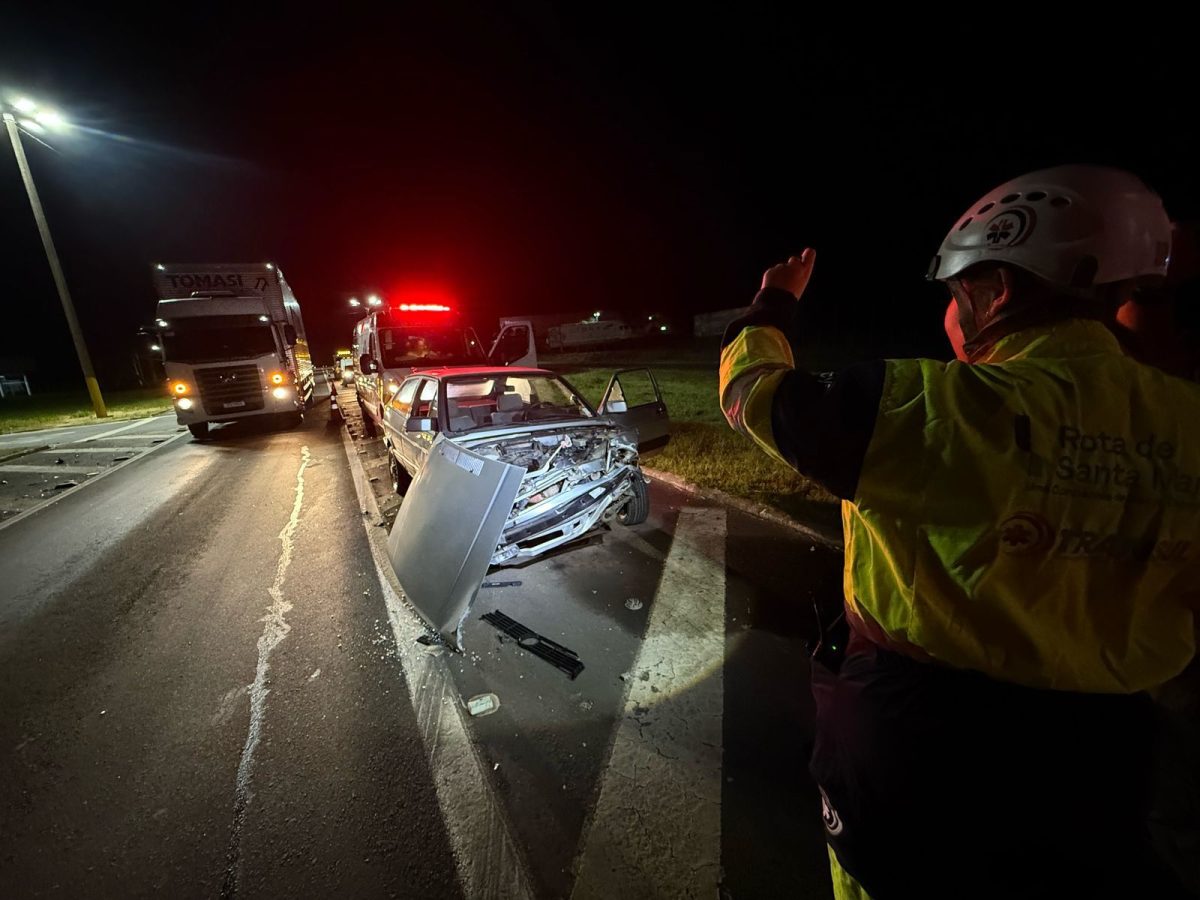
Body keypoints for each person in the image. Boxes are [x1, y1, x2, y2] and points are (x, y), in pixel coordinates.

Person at [719, 165, 1199, 898]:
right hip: (1108, 759)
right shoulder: (1185, 420)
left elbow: (756, 396)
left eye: (956, 292)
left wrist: (773, 303)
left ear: (997, 291)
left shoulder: (938, 407)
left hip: (925, 747)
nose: (951, 313)